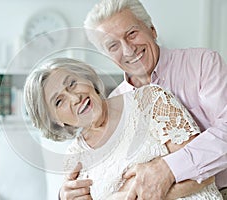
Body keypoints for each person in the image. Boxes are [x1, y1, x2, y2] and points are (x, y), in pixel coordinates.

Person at [59, 0, 227, 199]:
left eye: (131, 33)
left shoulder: (202, 64)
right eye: (113, 45)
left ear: (152, 29)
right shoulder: (115, 103)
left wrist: (168, 168)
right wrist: (65, 195)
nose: (128, 50)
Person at [24, 57, 223, 200]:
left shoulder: (150, 100)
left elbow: (204, 174)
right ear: (56, 121)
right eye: (59, 101)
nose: (75, 98)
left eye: (72, 84)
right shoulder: (75, 158)